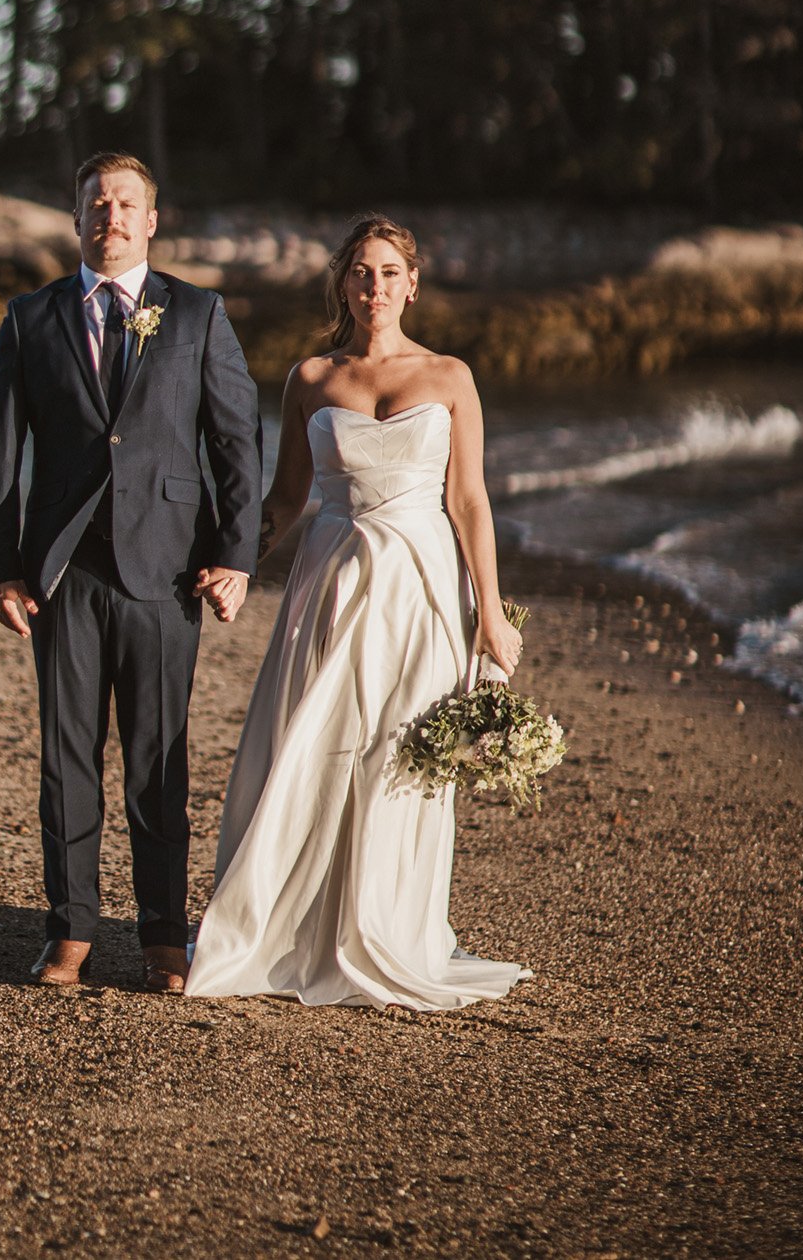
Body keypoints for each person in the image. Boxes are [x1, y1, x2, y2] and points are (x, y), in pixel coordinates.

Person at [185, 214, 531, 1010]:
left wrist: (490, 614)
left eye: (387, 272)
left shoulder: (450, 377)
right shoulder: (311, 377)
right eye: (360, 272)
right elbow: (286, 497)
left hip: (419, 587)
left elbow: (469, 501)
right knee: (314, 744)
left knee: (396, 755)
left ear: (411, 284)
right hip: (331, 582)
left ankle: (387, 928)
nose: (373, 286)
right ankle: (290, 929)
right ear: (344, 283)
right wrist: (232, 562)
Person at [0, 152, 262, 993]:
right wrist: (0, 570)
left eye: (126, 204)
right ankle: (70, 932)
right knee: (65, 758)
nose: (111, 216)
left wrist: (235, 558)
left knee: (158, 760)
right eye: (97, 203)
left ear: (151, 220)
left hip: (170, 572)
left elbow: (236, 445)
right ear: (75, 220)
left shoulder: (198, 313)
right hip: (61, 575)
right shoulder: (31, 320)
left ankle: (165, 936)